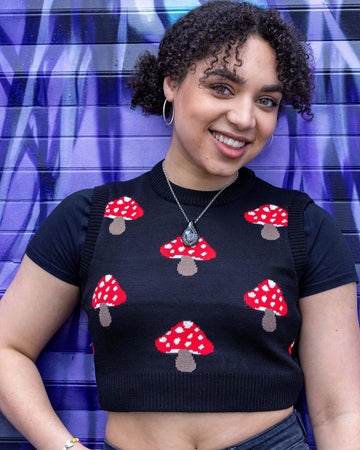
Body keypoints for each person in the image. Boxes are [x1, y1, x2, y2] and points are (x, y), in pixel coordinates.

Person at [0, 1, 359, 449]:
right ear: (172, 83)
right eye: (222, 88)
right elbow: (6, 348)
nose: (245, 119)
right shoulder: (90, 216)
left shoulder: (304, 226)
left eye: (266, 100)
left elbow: (339, 410)